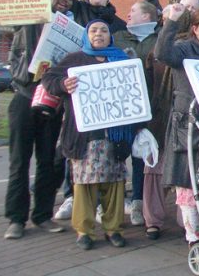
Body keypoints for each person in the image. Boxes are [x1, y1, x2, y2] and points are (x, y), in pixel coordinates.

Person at [42, 20, 133, 250]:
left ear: (110, 35)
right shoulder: (74, 59)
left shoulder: (121, 58)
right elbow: (49, 80)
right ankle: (85, 231)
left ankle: (113, 229)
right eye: (94, 30)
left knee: (115, 184)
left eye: (104, 30)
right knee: (84, 185)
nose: (99, 34)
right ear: (86, 35)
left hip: (114, 134)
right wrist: (63, 84)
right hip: (84, 136)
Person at [2, 0, 76, 239]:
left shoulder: (69, 32)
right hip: (24, 97)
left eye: (69, 0)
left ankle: (43, 215)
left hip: (51, 100)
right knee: (19, 160)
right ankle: (16, 219)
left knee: (48, 161)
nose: (64, 1)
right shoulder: (29, 19)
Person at [154, 4, 199, 246]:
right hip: (187, 124)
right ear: (195, 28)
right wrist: (171, 22)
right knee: (187, 183)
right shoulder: (183, 49)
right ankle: (195, 238)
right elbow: (162, 53)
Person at [113, 0, 161, 229]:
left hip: (149, 107)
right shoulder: (119, 37)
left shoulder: (158, 40)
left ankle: (138, 202)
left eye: (133, 11)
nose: (128, 15)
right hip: (122, 108)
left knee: (141, 157)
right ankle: (112, 203)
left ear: (146, 17)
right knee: (117, 153)